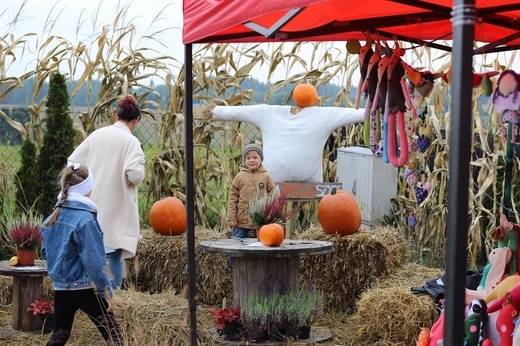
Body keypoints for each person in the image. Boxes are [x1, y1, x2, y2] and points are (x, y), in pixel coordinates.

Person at [68, 95, 145, 289]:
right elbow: (135, 175)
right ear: (135, 121)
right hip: (116, 204)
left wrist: (85, 182)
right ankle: (113, 292)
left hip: (90, 202)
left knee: (92, 249)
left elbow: (73, 163)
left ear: (116, 117)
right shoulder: (131, 141)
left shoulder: (97, 135)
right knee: (115, 252)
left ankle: (88, 290)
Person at [41, 163, 123, 346]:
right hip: (84, 289)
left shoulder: (51, 218)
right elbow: (95, 261)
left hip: (61, 289)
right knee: (113, 334)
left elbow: (46, 252)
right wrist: (107, 291)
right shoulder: (85, 221)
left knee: (59, 336)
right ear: (87, 189)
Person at [227, 143, 276, 239]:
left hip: (261, 220)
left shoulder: (266, 176)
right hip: (242, 220)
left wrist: (272, 216)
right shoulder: (240, 176)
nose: (251, 160)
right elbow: (233, 198)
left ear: (261, 159)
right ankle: (234, 255)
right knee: (237, 244)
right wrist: (231, 216)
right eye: (248, 158)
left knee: (262, 243)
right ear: (245, 161)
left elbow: (273, 196)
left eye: (255, 157)